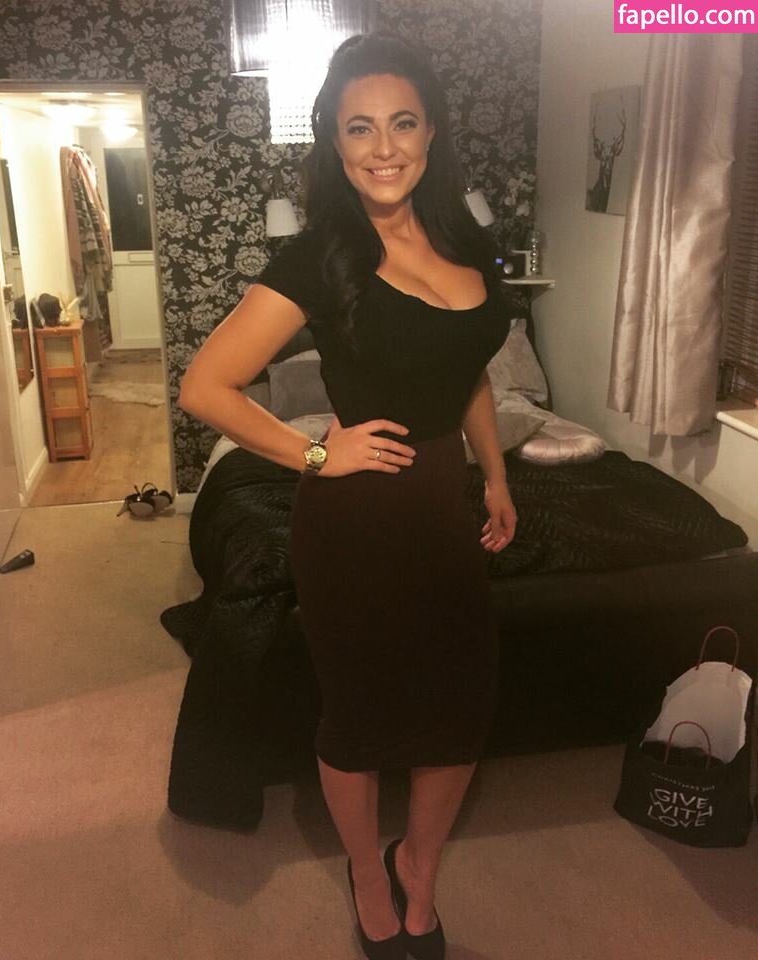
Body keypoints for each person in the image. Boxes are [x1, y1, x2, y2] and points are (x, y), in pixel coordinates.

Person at [178, 31, 517, 960]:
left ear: (431, 131)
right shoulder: (321, 255)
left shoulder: (467, 242)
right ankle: (369, 873)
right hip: (353, 525)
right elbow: (206, 386)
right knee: (360, 715)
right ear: (333, 139)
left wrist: (493, 473)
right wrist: (316, 453)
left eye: (401, 123)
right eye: (358, 127)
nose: (382, 147)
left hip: (443, 513)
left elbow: (470, 371)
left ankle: (419, 867)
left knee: (460, 708)